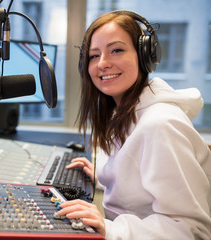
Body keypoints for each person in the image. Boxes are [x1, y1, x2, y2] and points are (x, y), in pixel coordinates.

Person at [57, 10, 211, 239]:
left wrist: (110, 228)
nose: (103, 64)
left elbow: (192, 230)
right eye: (93, 56)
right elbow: (142, 189)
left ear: (144, 55)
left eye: (116, 50)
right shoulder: (126, 114)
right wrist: (105, 177)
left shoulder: (161, 124)